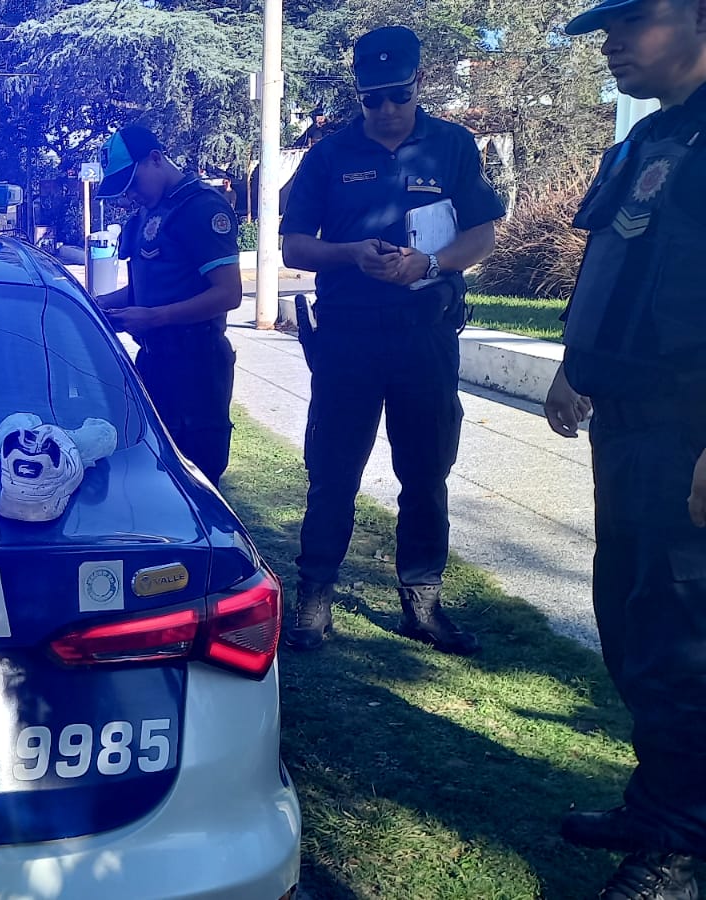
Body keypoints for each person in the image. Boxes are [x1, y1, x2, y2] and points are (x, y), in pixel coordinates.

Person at [542, 0, 706, 894]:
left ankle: (678, 852)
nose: (610, 41)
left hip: (691, 429)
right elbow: (615, 263)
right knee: (639, 622)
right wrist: (575, 364)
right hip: (631, 425)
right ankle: (659, 806)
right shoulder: (649, 141)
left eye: (633, 21)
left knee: (686, 637)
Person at [279, 25, 505, 654]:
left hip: (424, 336)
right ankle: (315, 600)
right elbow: (295, 245)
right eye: (371, 98)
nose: (384, 111)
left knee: (427, 471)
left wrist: (428, 266)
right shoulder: (328, 154)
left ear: (419, 84)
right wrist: (351, 253)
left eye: (396, 96)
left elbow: (481, 237)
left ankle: (423, 604)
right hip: (348, 338)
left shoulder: (455, 146)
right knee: (332, 473)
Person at [92, 124, 243, 487]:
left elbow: (228, 293)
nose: (130, 196)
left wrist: (155, 318)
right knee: (152, 474)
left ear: (156, 159)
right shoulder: (149, 212)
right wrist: (90, 307)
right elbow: (142, 292)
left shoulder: (201, 210)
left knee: (196, 480)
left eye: (132, 183)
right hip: (154, 362)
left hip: (197, 368)